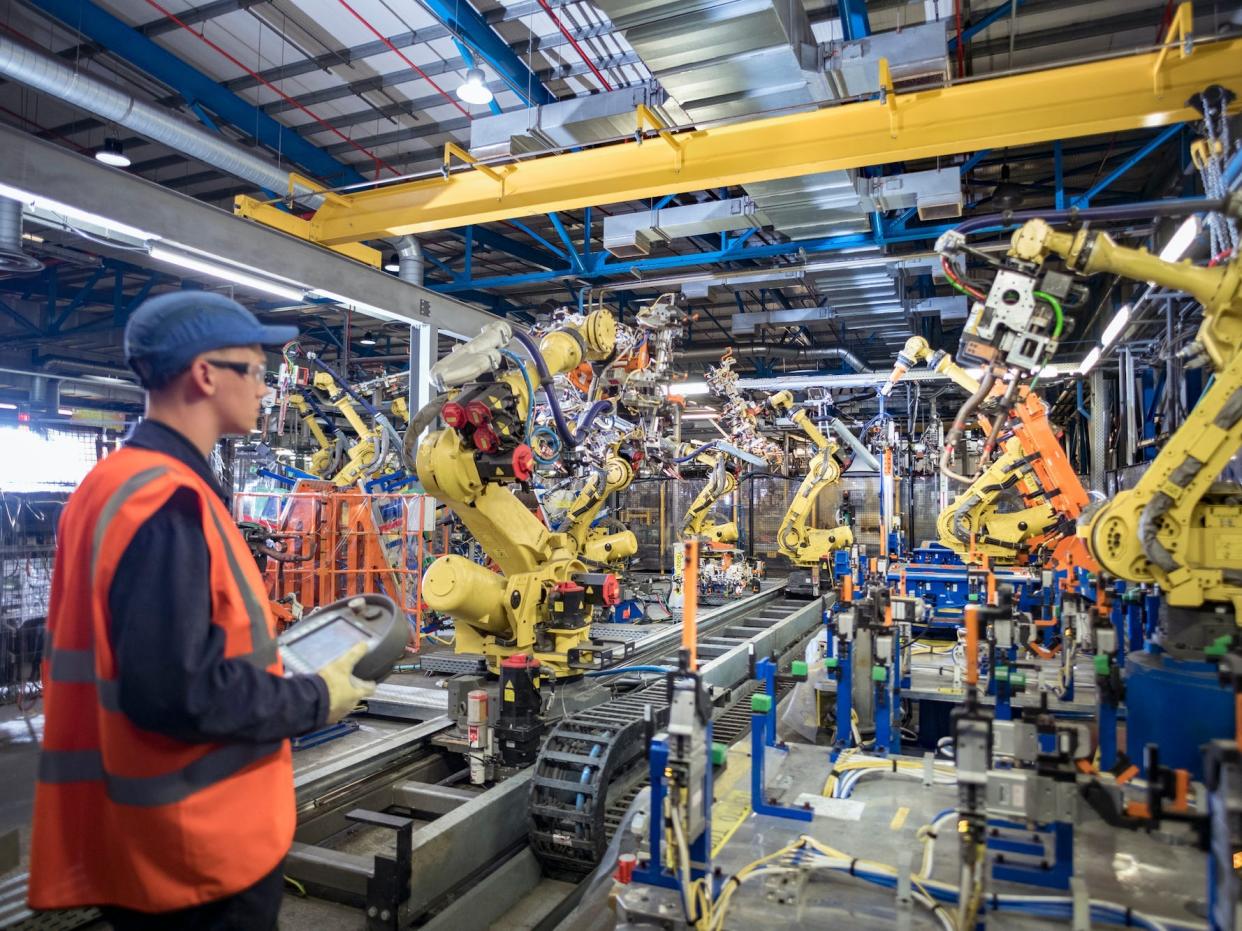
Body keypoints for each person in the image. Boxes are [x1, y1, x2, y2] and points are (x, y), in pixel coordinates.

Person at [28, 291, 376, 929]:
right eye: (256, 371)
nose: (266, 391)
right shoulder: (167, 502)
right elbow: (175, 691)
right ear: (206, 374)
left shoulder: (114, 484)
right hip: (196, 849)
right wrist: (316, 698)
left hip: (144, 834)